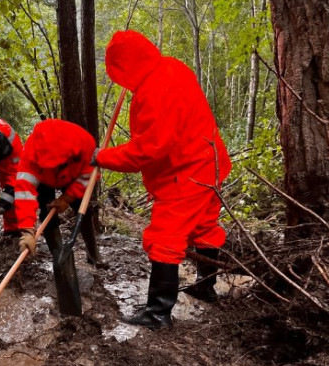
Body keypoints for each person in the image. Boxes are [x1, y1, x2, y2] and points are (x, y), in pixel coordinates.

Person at [93, 30, 232, 329]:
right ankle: (205, 288)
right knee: (205, 226)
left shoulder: (154, 90)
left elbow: (148, 150)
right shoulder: (172, 67)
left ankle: (158, 313)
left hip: (188, 174)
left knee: (165, 237)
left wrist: (101, 157)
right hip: (211, 164)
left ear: (124, 66)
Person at [14, 118, 104, 316]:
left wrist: (68, 196)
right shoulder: (31, 153)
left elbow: (90, 174)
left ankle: (93, 253)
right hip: (45, 180)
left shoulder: (85, 144)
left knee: (84, 210)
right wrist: (27, 230)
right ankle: (59, 257)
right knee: (47, 215)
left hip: (73, 175)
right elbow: (24, 192)